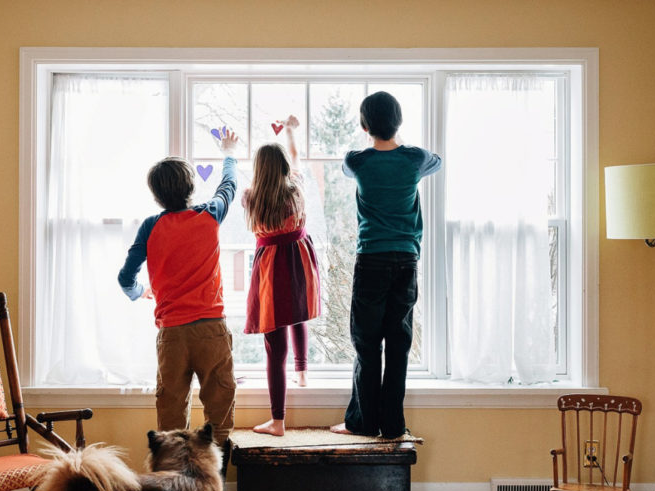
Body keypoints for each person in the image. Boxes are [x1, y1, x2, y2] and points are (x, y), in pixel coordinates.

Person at [118, 129, 240, 448]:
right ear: (191, 187)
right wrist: (228, 153)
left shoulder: (150, 226)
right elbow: (229, 186)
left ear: (157, 196)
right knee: (220, 420)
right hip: (211, 330)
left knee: (171, 426)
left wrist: (139, 290)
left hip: (172, 335)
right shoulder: (209, 214)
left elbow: (125, 277)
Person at [331, 92, 442, 439]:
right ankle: (392, 426)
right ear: (399, 122)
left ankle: (362, 422)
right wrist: (401, 144)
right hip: (406, 260)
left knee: (366, 344)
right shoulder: (414, 159)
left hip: (372, 260)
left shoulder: (358, 161)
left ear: (364, 126)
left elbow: (346, 165)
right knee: (398, 345)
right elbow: (436, 161)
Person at [243, 115, 321, 437]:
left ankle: (277, 420)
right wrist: (291, 132)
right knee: (297, 315)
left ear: (259, 170)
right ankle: (302, 374)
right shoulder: (296, 190)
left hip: (271, 267)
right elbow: (296, 158)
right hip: (299, 260)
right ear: (284, 169)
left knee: (274, 343)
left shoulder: (252, 197)